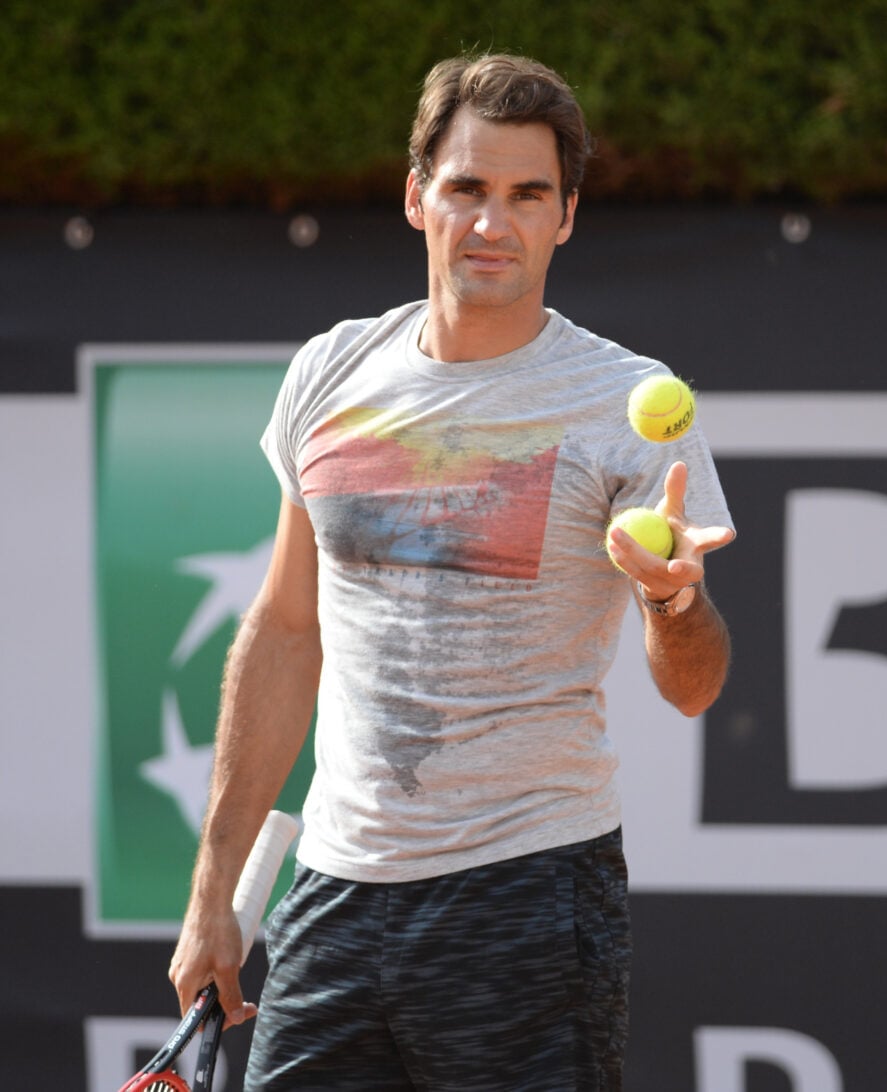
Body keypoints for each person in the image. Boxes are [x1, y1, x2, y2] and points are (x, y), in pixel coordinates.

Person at [169, 51, 735, 1091]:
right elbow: (287, 628)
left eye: (528, 196)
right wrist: (214, 890)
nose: (492, 223)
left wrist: (671, 598)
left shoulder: (628, 405)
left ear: (566, 217)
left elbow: (694, 686)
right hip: (330, 896)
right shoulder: (328, 372)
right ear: (416, 196)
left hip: (529, 892)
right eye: (467, 187)